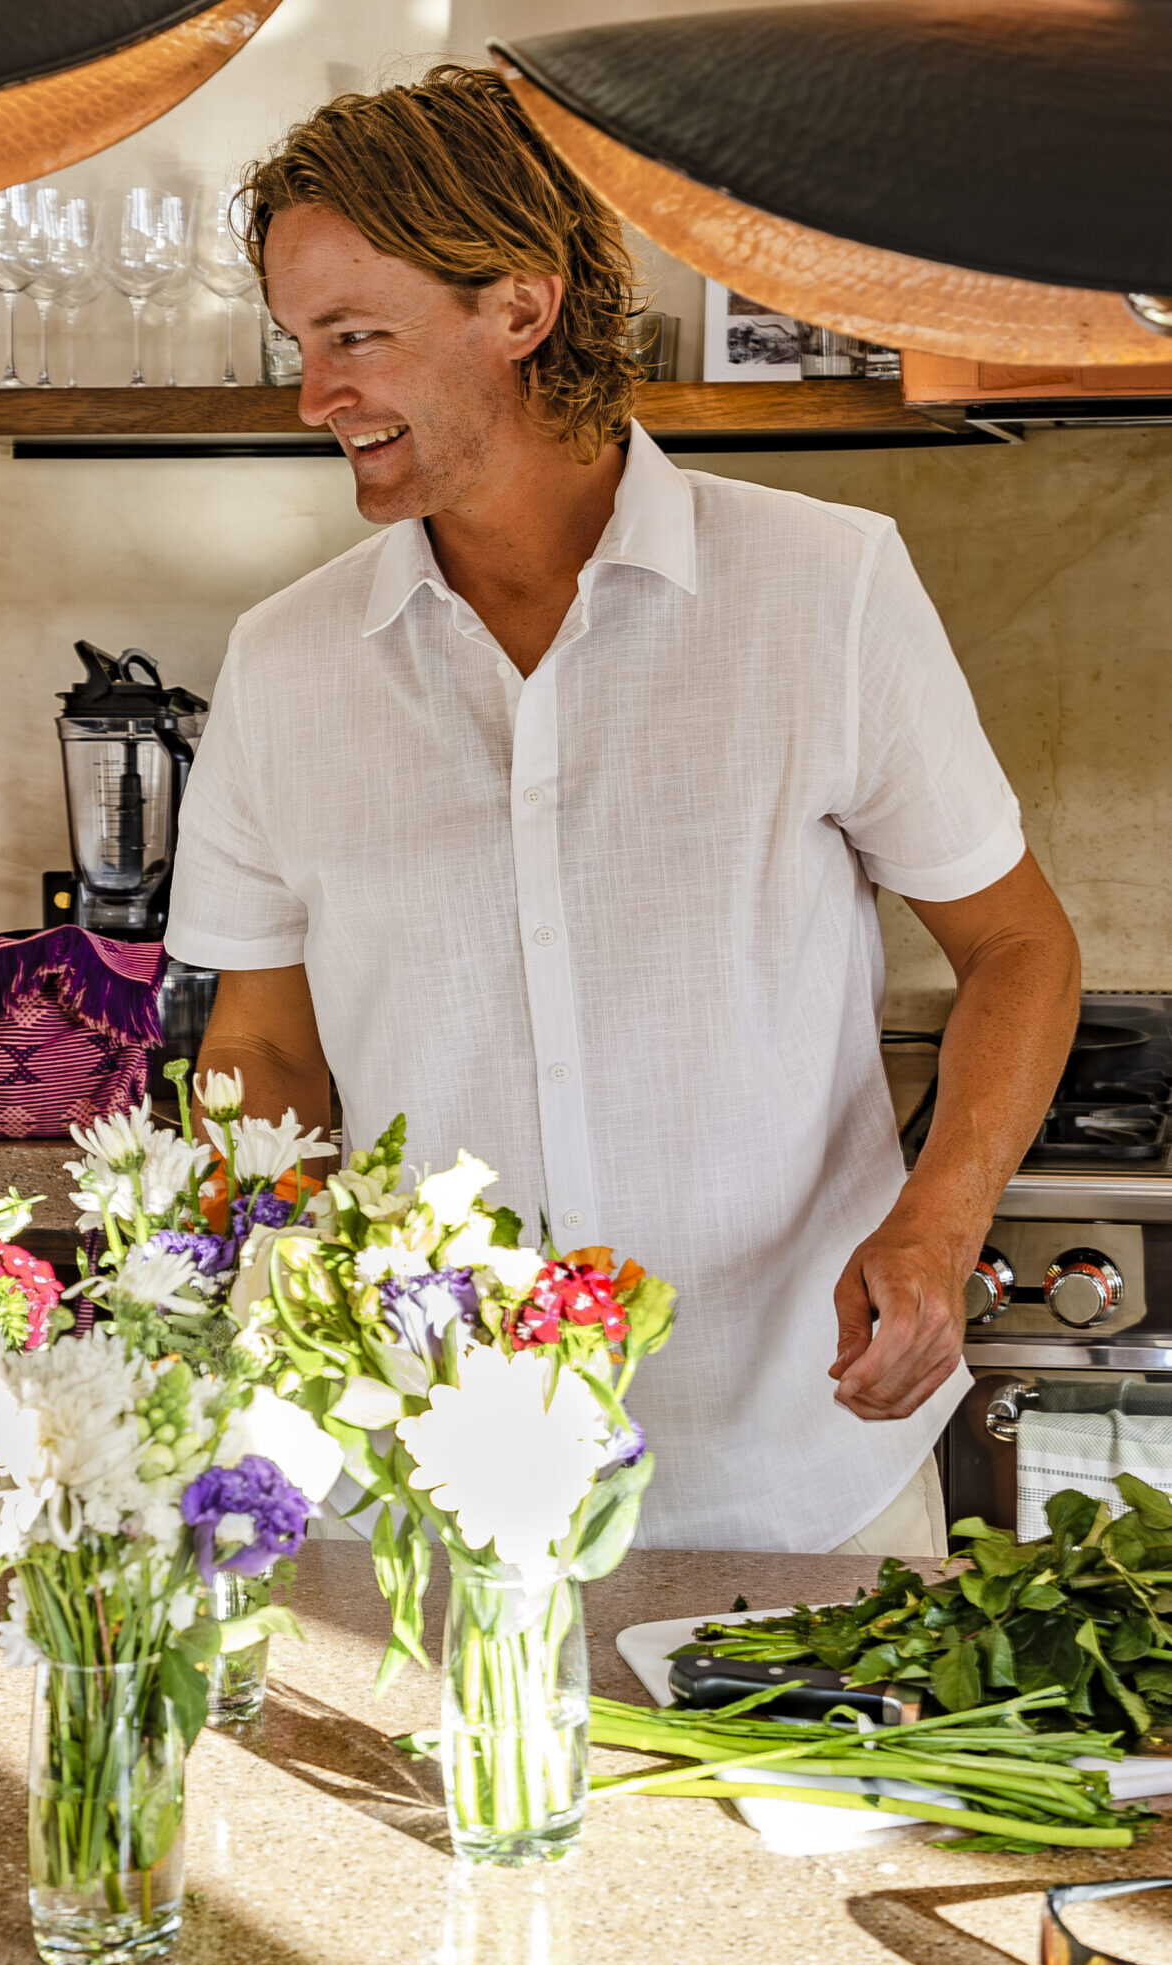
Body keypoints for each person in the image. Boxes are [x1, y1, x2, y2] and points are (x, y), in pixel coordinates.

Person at [163, 66, 1080, 1555]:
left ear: (520, 307)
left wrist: (939, 1218)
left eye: (356, 336)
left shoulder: (825, 591)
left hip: (793, 1469)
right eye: (299, 344)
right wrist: (238, 1275)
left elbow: (1019, 946)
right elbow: (263, 1042)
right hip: (429, 1489)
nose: (316, 395)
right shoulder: (283, 665)